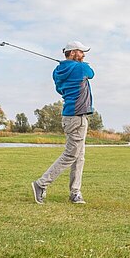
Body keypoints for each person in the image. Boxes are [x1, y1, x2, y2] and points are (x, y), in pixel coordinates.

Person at [31, 41, 95, 204]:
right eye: (81, 52)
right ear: (73, 53)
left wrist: (69, 64)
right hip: (77, 116)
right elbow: (91, 73)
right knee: (71, 154)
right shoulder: (81, 67)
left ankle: (75, 192)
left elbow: (60, 90)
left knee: (79, 156)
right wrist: (78, 63)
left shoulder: (58, 71)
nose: (84, 55)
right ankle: (41, 184)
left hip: (71, 115)